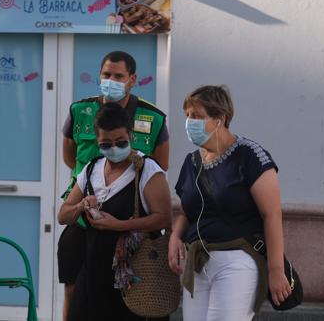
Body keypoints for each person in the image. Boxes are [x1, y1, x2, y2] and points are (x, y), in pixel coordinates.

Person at [58, 51, 170, 320]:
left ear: (132, 79)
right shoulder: (80, 111)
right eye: (106, 75)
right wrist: (88, 194)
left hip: (130, 232)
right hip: (85, 221)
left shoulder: (152, 118)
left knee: (126, 300)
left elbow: (161, 165)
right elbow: (69, 157)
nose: (111, 80)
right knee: (77, 291)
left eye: (118, 76)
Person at [168, 85, 292, 320]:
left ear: (219, 119)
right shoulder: (192, 161)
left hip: (237, 261)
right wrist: (175, 236)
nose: (189, 122)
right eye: (187, 116)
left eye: (197, 116)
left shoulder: (250, 155)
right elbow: (186, 210)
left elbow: (272, 214)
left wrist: (276, 270)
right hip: (198, 263)